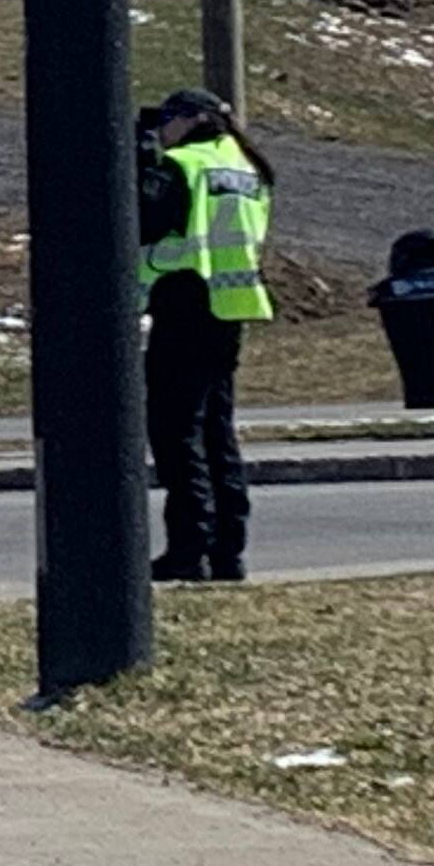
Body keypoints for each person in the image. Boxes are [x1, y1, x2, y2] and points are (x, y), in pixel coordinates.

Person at [137, 85, 273, 582]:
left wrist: (144, 166)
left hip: (185, 300)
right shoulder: (246, 167)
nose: (161, 129)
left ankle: (188, 547)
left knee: (177, 431)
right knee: (218, 430)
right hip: (229, 305)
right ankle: (227, 549)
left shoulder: (184, 165)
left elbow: (146, 224)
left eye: (168, 119)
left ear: (192, 120)